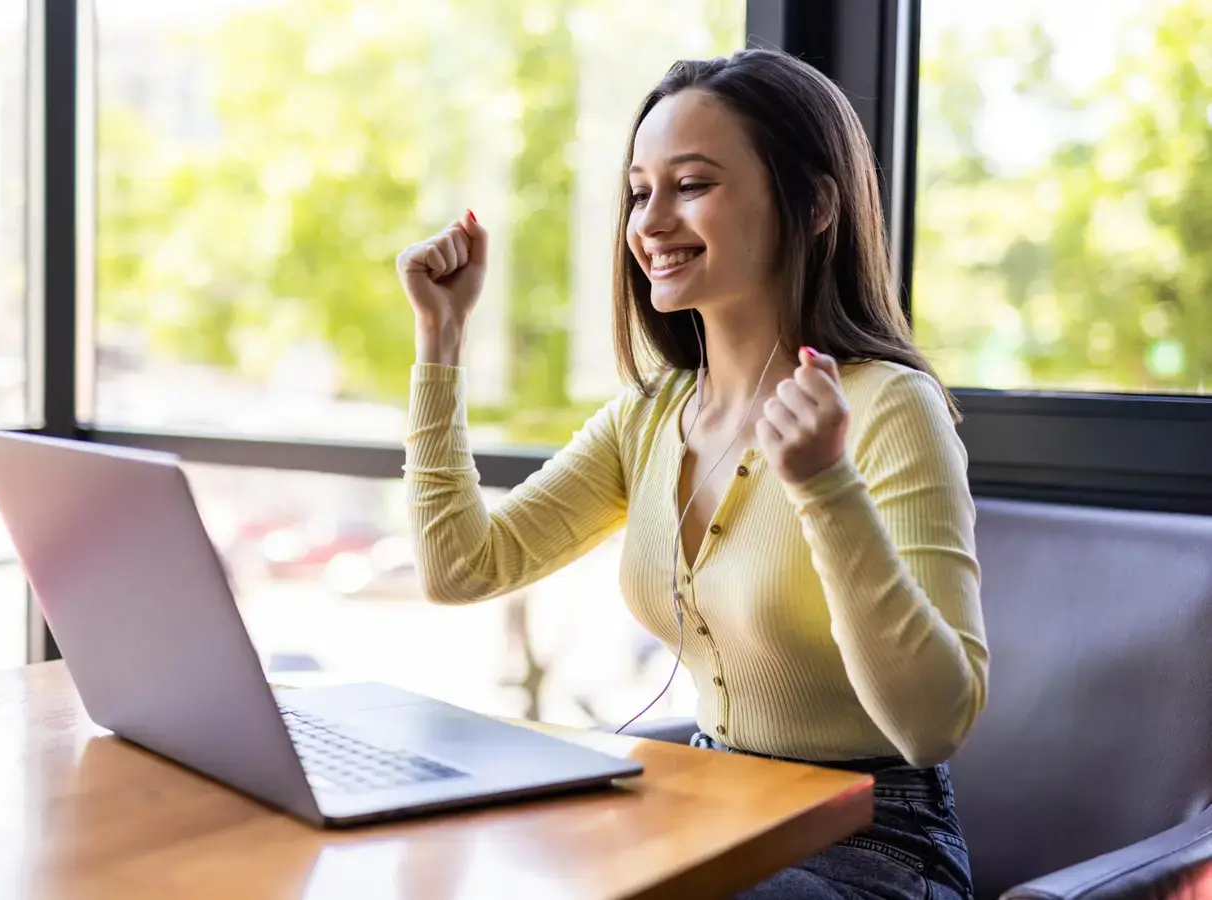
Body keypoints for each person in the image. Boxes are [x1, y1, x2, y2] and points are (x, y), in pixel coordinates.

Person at [396, 47, 986, 900]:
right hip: (712, 811)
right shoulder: (648, 416)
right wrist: (441, 339)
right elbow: (461, 567)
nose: (651, 222)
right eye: (640, 192)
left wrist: (825, 487)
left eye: (693, 184)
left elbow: (933, 725)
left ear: (816, 204)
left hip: (873, 845)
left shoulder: (889, 407)